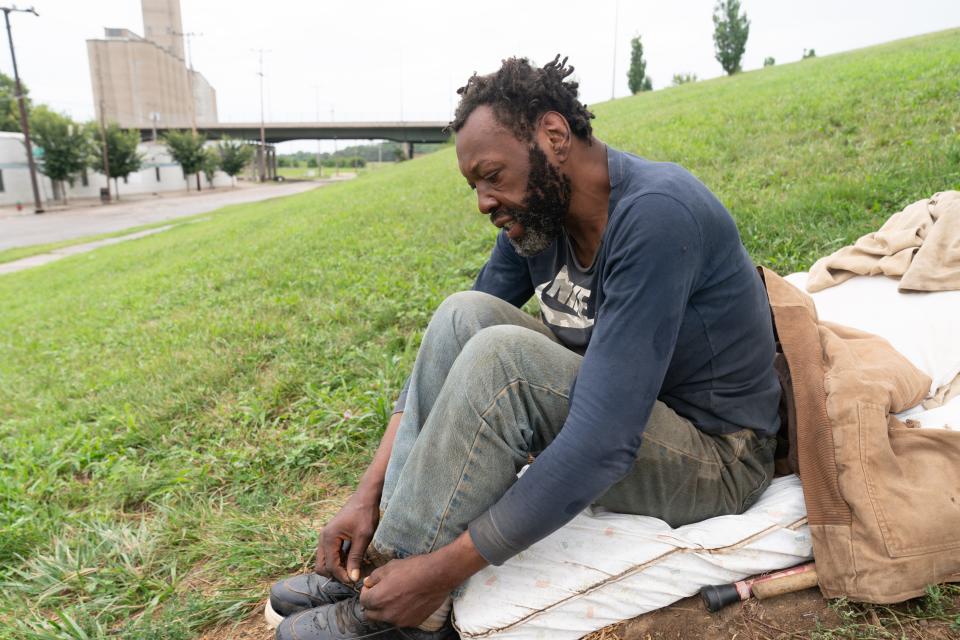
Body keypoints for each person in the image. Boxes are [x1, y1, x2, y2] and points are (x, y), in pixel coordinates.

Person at [267, 55, 781, 640]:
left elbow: (602, 442)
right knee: (462, 314)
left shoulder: (656, 215)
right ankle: (385, 557)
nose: (485, 202)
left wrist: (442, 571)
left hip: (718, 459)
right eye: (475, 186)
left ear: (553, 136)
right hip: (637, 420)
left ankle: (403, 598)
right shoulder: (536, 219)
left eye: (492, 175)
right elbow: (457, 335)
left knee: (505, 362)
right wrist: (368, 494)